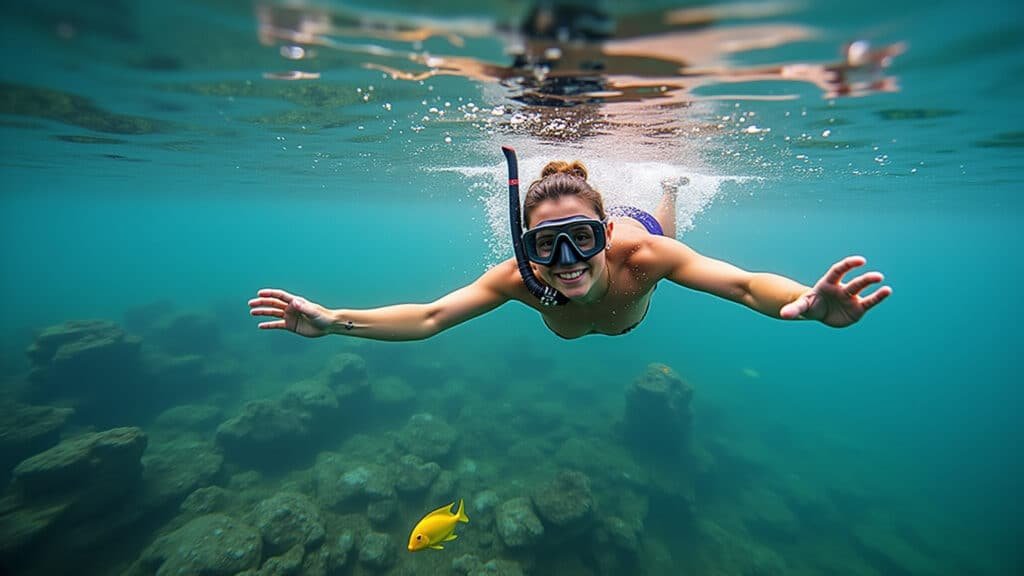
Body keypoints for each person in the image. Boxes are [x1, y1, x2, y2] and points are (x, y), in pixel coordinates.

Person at [248, 155, 891, 340]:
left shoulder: (640, 256)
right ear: (525, 246)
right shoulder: (520, 278)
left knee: (663, 225)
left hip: (639, 228)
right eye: (545, 246)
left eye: (580, 239)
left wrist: (804, 301)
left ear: (601, 236)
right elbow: (431, 316)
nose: (566, 263)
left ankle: (667, 186)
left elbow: (746, 285)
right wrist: (336, 322)